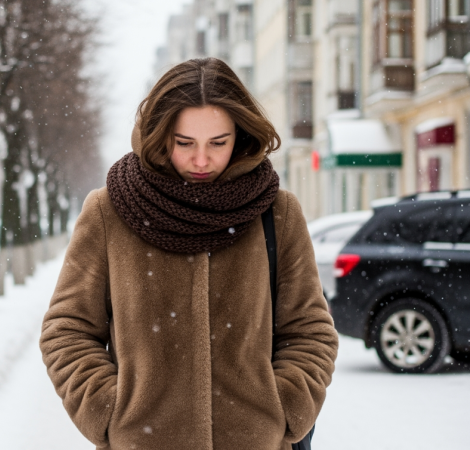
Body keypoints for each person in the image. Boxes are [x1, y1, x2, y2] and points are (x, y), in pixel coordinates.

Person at [39, 58, 338, 450]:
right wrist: (109, 413)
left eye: (218, 142)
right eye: (185, 143)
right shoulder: (110, 211)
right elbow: (67, 330)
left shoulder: (277, 212)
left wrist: (285, 410)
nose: (201, 160)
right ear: (161, 136)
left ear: (241, 135)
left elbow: (310, 331)